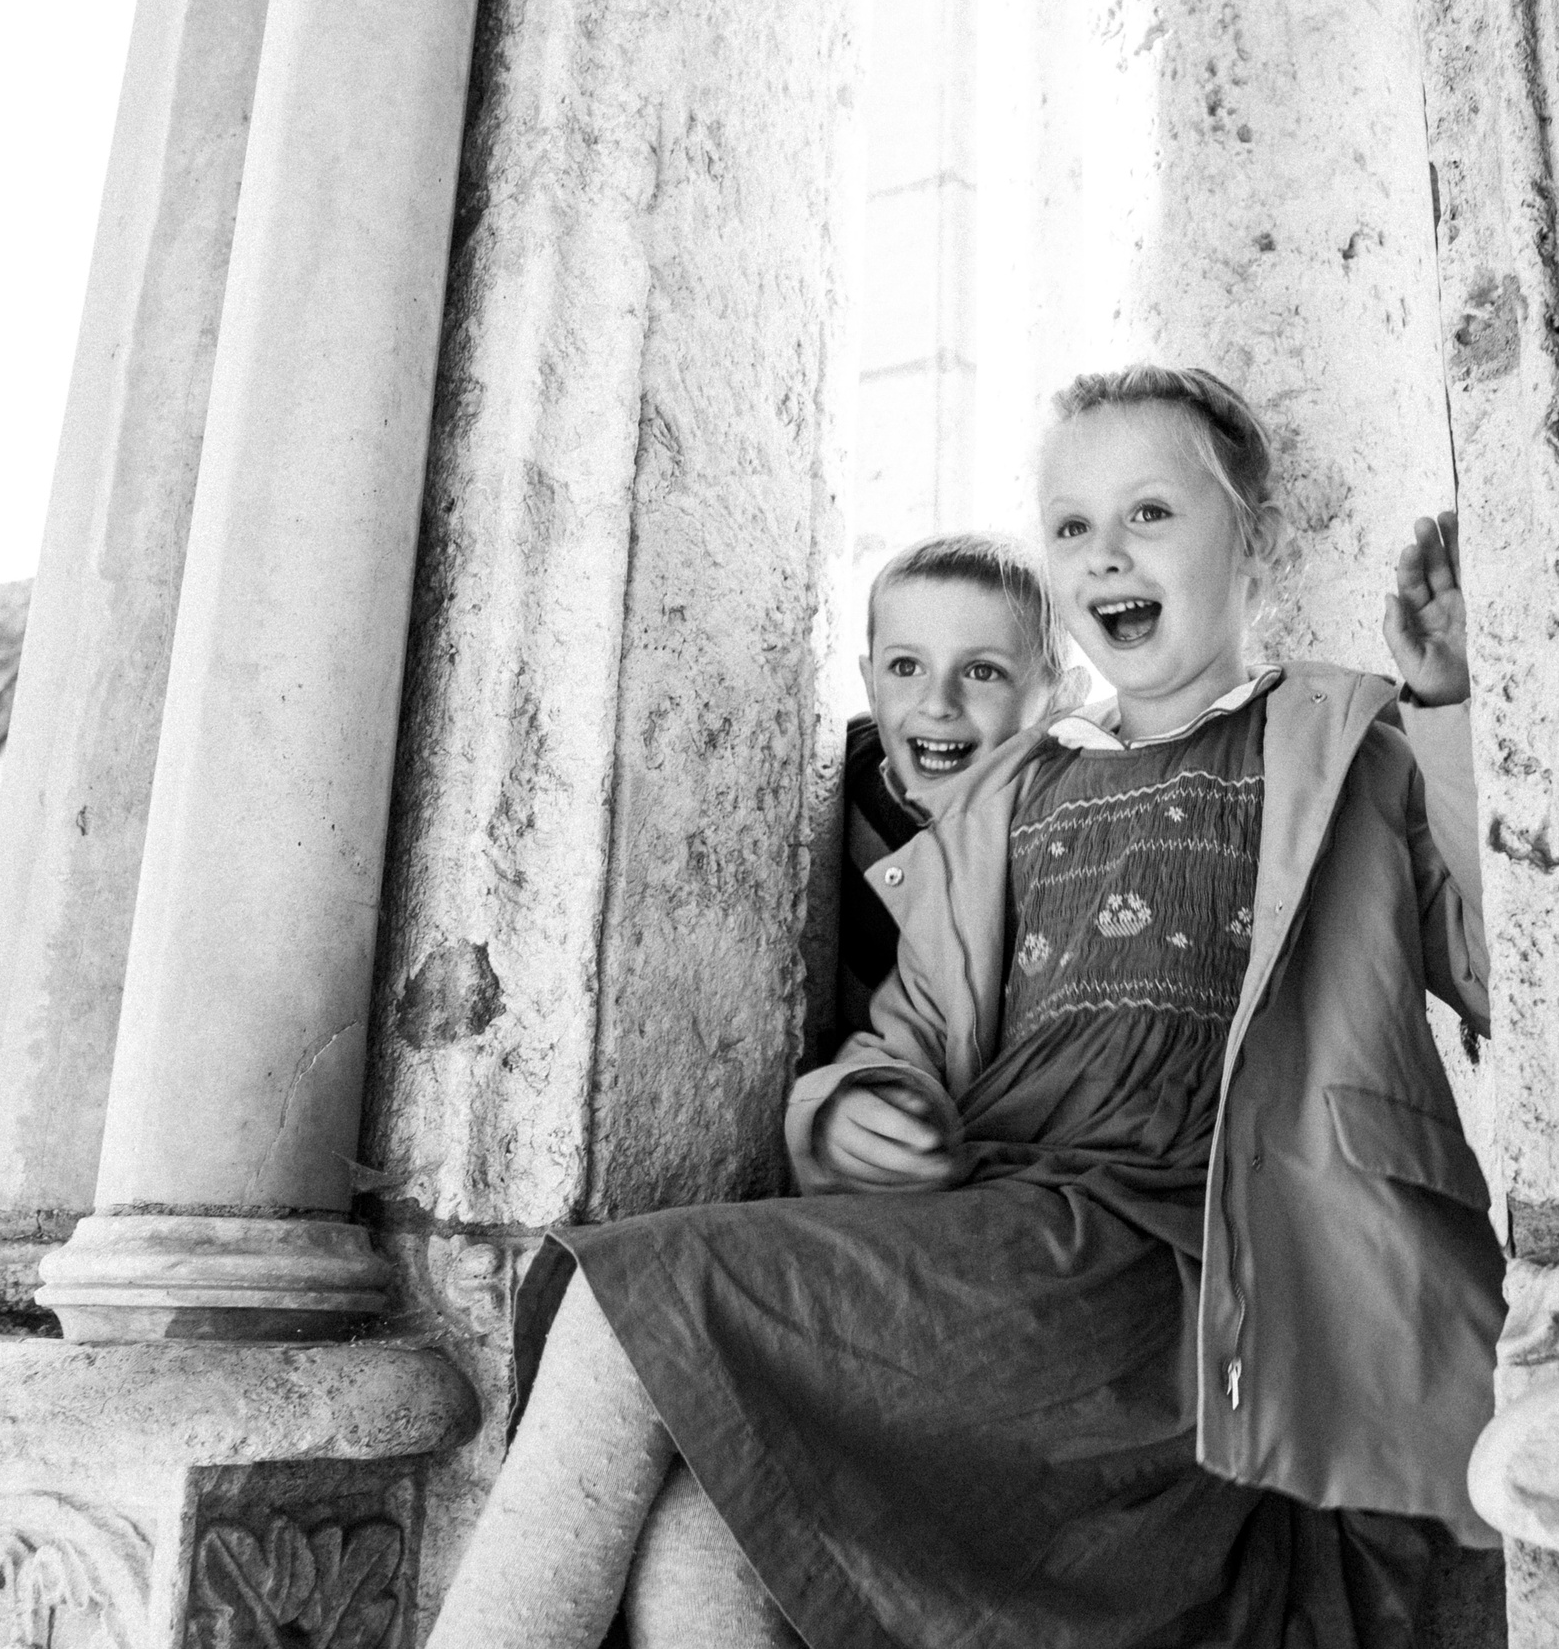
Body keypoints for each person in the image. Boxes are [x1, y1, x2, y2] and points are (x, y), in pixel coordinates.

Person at [427, 364, 1504, 1649]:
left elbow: (1508, 968)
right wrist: (858, 1109)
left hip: (1207, 1263)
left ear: (1252, 537)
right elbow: (911, 1040)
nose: (1104, 551)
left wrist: (1451, 708)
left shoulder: (1344, 744)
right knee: (713, 1513)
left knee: (627, 1298)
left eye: (1150, 513)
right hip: (1009, 1243)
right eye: (1069, 525)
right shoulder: (1009, 795)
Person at [836, 534, 1072, 1041]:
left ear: (1060, 699)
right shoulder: (842, 773)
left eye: (982, 672)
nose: (938, 703)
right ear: (871, 683)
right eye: (906, 667)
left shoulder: (1055, 832)